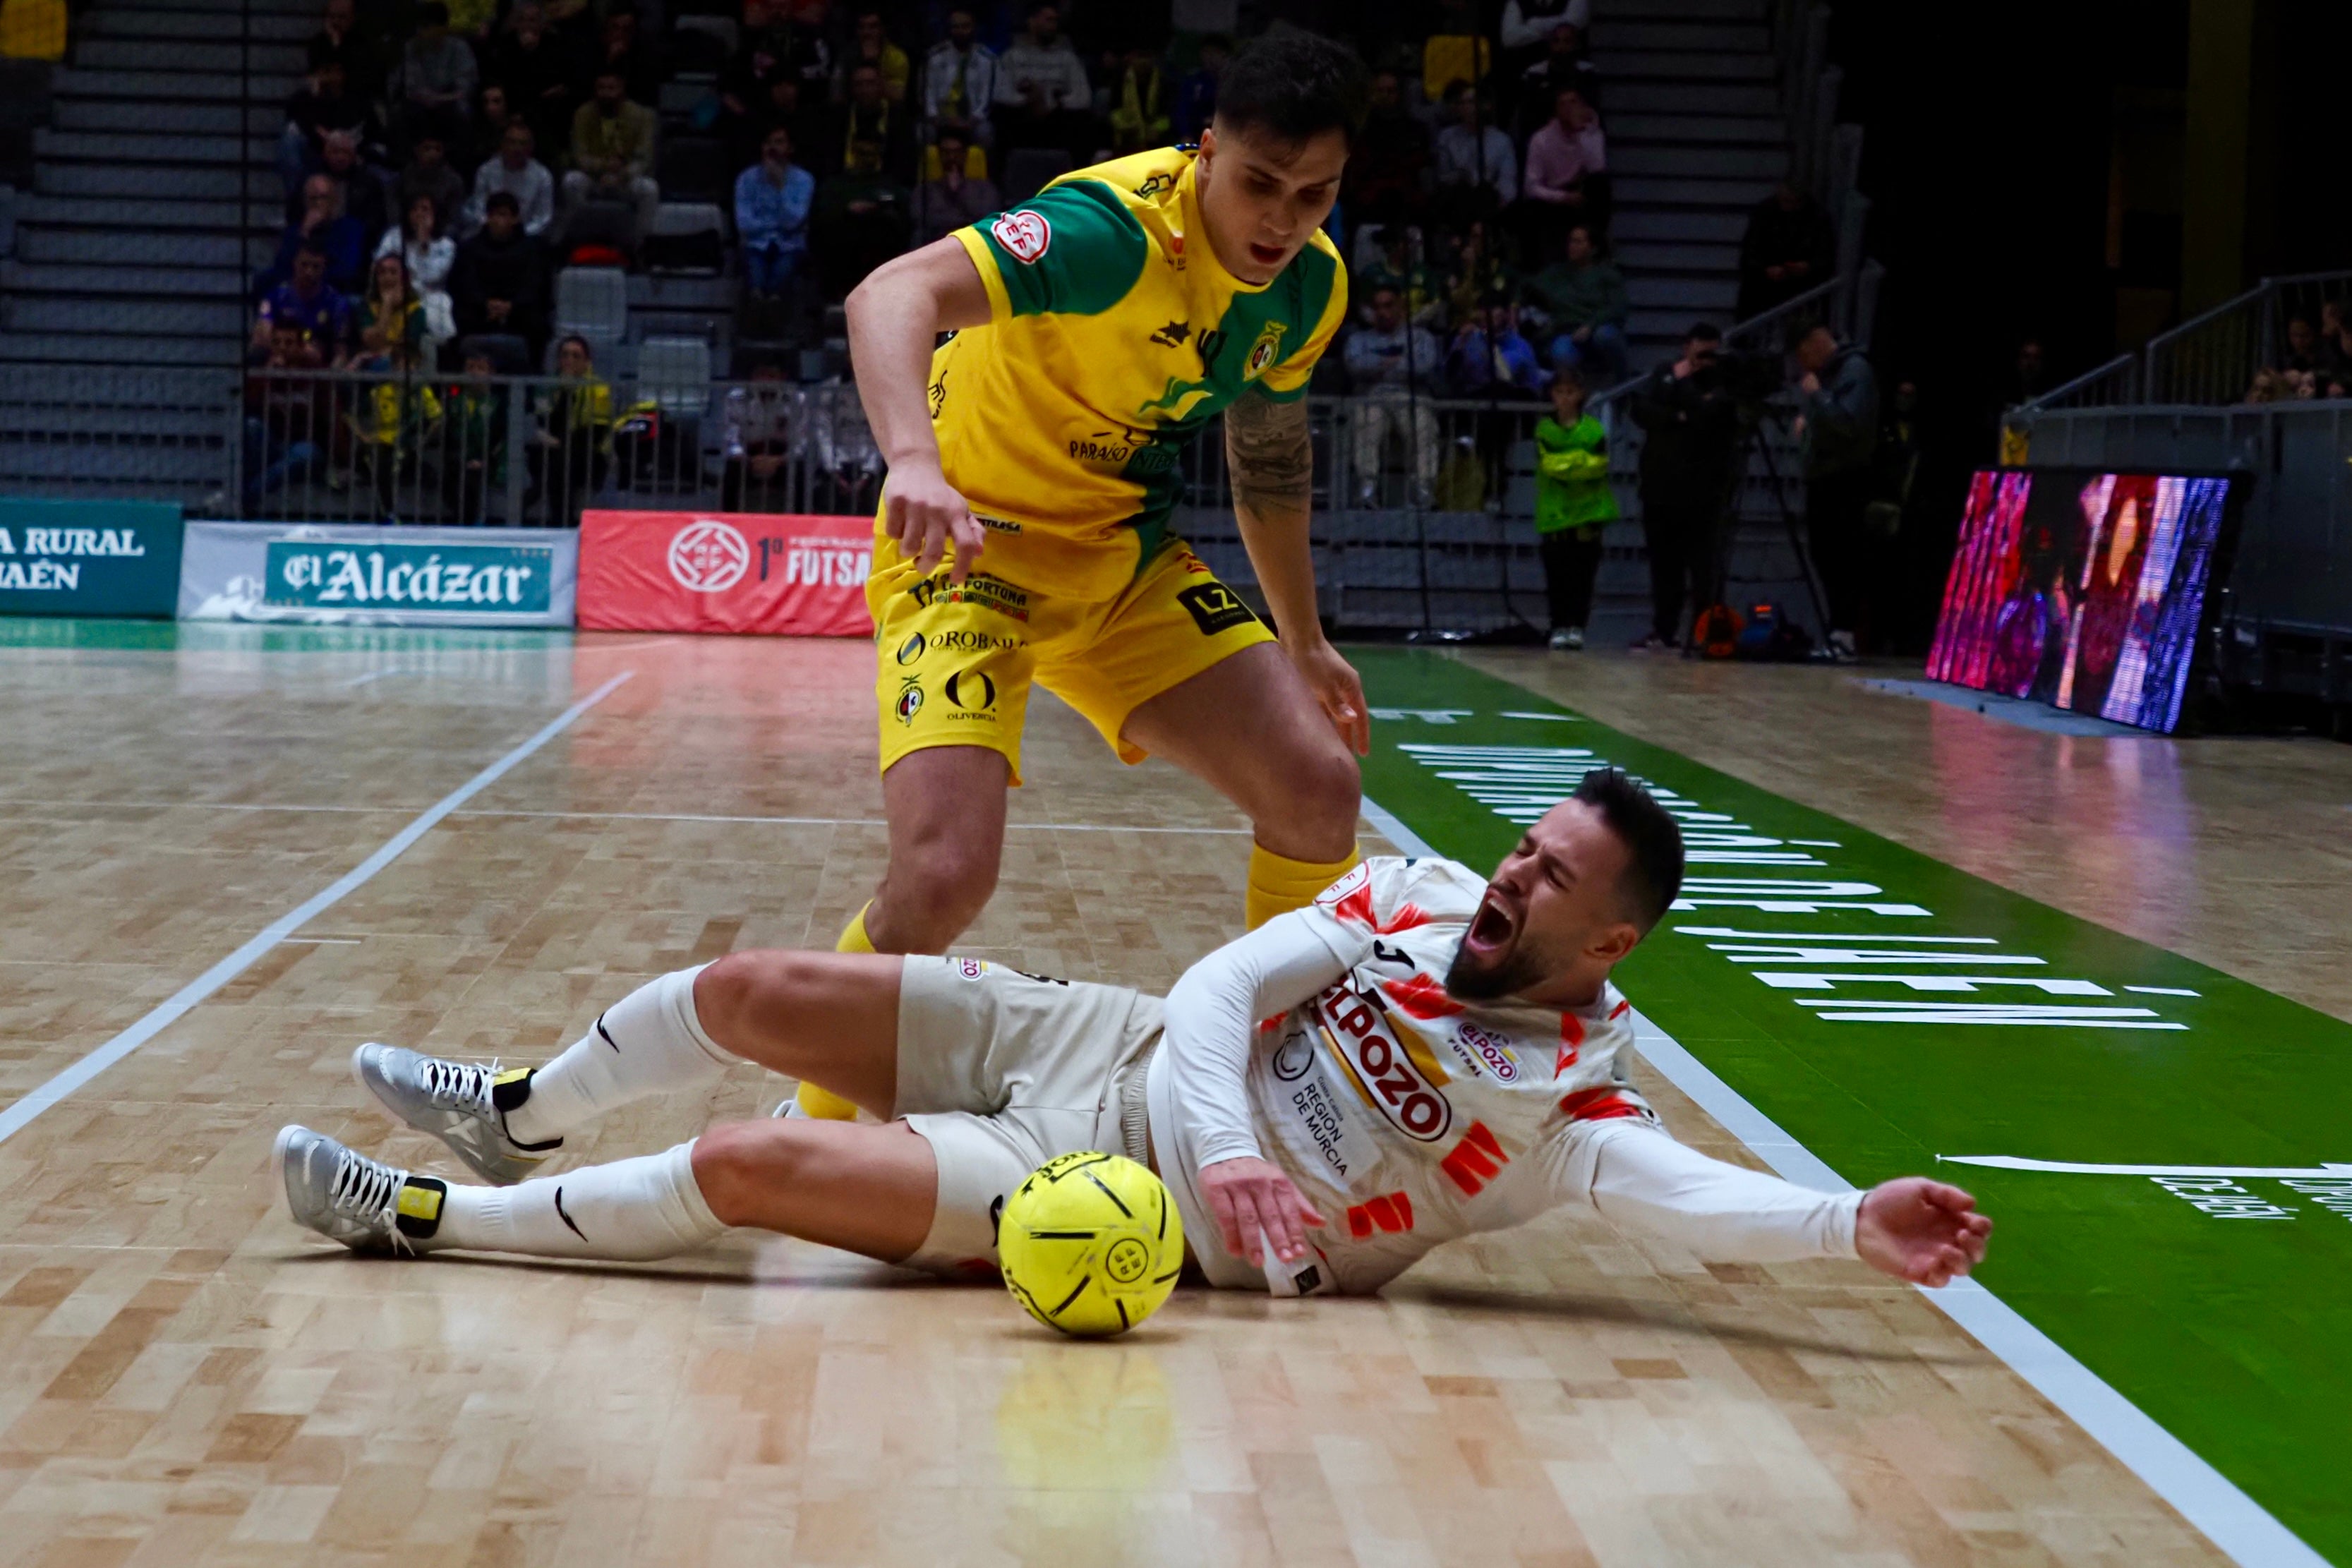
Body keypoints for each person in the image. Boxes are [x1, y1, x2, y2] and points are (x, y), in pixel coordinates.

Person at [275, 774, 1995, 1304]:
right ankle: (518, 1109)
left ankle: (430, 1222)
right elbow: (1229, 986)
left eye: (1550, 879)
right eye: (1522, 846)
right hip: (1097, 1034)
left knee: (744, 1162)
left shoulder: (1567, 1109)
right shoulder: (1410, 891)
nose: (1511, 876)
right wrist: (1247, 1137)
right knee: (748, 990)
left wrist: (1849, 1220)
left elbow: (1685, 1195)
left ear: (1603, 943)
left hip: (1097, 1176)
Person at [804, 36, 1373, 1123]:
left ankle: (1252, 1104)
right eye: (1259, 183)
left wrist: (1300, 639)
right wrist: (914, 460)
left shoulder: (1308, 288)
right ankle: (814, 1113)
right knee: (942, 878)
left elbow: (1266, 459)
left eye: (1316, 194)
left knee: (1317, 789)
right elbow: (887, 294)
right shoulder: (1107, 234)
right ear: (1206, 153)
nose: (1282, 219)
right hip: (967, 558)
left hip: (1122, 565)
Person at [1627, 322, 1739, 651]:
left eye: (1712, 354)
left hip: (1703, 492)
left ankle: (1706, 632)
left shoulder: (1722, 381)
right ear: (1686, 346)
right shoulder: (1664, 372)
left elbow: (1708, 414)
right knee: (1664, 567)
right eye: (1701, 352)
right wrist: (1677, 414)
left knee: (1703, 567)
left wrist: (1683, 386)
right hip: (1660, 488)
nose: (1706, 360)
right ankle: (1664, 631)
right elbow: (1642, 409)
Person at [1792, 322, 1880, 662]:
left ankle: (1844, 633)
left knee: (1841, 558)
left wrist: (1816, 396)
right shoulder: (1834, 372)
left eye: (1803, 355)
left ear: (1816, 342)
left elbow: (1847, 423)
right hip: (1825, 477)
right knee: (1825, 555)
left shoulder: (1854, 369)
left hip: (1845, 478)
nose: (1803, 366)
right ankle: (1837, 631)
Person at [1532, 366, 1613, 649]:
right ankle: (1558, 626)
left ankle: (1577, 626)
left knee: (1583, 576)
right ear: (1552, 395)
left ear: (1580, 395)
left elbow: (1598, 466)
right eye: (1559, 392)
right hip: (1556, 515)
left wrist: (1570, 464)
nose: (1565, 398)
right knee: (1557, 576)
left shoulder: (1594, 428)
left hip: (1588, 514)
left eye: (1570, 392)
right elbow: (1551, 465)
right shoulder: (1545, 428)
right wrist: (1579, 460)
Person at [1343, 284, 1443, 508]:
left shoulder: (1420, 337)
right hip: (1372, 398)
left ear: (1400, 307)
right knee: (1365, 421)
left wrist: (1377, 367)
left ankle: (1422, 489)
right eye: (1377, 307)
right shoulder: (1359, 339)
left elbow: (1424, 366)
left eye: (1388, 306)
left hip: (1411, 398)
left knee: (1423, 425)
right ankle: (1367, 488)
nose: (1382, 312)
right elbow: (1354, 365)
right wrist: (1396, 364)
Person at [1522, 223, 1627, 383]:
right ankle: (1573, 396)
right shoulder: (1558, 273)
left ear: (1592, 248)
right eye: (1571, 241)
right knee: (1560, 352)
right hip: (1569, 333)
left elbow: (1617, 308)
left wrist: (1591, 325)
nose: (1572, 246)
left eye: (1578, 242)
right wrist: (1515, 303)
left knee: (1605, 336)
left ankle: (1622, 384)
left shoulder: (1607, 275)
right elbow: (1527, 284)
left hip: (1599, 330)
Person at [451, 191, 551, 356]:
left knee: (537, 321)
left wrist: (511, 306)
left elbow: (535, 285)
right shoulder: (469, 248)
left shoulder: (532, 250)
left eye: (503, 215)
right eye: (493, 215)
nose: (497, 221)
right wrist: (486, 304)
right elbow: (465, 283)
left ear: (515, 219)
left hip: (520, 314)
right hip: (479, 313)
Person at [564, 69, 661, 238]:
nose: (606, 93)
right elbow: (579, 155)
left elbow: (643, 159)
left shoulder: (643, 116)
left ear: (622, 88)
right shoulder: (583, 114)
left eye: (611, 88)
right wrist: (603, 167)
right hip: (594, 177)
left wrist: (622, 175)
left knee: (649, 189)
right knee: (571, 181)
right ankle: (579, 238)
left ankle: (642, 243)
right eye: (601, 88)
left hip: (627, 179)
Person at [812, 137, 911, 298]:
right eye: (863, 154)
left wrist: (878, 211)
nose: (868, 159)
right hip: (843, 245)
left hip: (880, 246)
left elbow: (902, 217)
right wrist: (848, 210)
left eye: (873, 154)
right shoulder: (836, 185)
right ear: (853, 153)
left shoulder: (890, 185)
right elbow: (822, 216)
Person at [528, 333, 613, 521]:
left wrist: (559, 442)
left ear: (587, 361)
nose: (569, 360)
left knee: (563, 461)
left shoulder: (598, 389)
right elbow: (545, 422)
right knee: (538, 453)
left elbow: (595, 434)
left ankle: (558, 519)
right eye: (565, 355)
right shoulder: (550, 386)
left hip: (590, 455)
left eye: (576, 356)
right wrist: (564, 392)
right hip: (555, 450)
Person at [994, 2, 1092, 159]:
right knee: (1003, 116)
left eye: (1055, 21)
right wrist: (1028, 100)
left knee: (1082, 122)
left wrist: (1055, 102)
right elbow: (1001, 94)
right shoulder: (1012, 56)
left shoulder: (1068, 58)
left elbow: (1083, 97)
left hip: (1058, 116)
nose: (1053, 26)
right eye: (1048, 20)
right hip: (1023, 114)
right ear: (1032, 22)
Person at [1519, 85, 1606, 258]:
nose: (1569, 108)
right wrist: (1562, 197)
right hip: (1553, 195)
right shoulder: (1541, 139)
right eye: (1563, 104)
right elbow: (1531, 186)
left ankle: (1599, 252)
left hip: (1581, 191)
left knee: (1601, 186)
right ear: (1556, 110)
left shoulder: (1592, 134)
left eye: (1573, 102)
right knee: (1530, 210)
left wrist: (1581, 133)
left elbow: (1597, 168)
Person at [735, 124, 816, 301]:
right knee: (755, 284)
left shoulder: (804, 180)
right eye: (768, 143)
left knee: (778, 286)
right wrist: (775, 226)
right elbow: (744, 224)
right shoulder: (746, 179)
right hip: (755, 245)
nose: (772, 148)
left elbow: (794, 221)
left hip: (790, 246)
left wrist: (780, 186)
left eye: (779, 142)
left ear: (790, 148)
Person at [486, 2, 577, 159]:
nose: (528, 25)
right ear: (516, 23)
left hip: (546, 104)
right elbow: (505, 79)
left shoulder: (554, 42)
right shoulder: (506, 45)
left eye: (533, 20)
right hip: (515, 102)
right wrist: (524, 54)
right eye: (523, 20)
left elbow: (559, 77)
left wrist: (533, 54)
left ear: (542, 24)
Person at [1342, 68, 1428, 228]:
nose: (1385, 96)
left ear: (1399, 94)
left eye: (1391, 91)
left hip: (1407, 204)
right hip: (1367, 203)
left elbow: (1419, 168)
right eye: (1380, 91)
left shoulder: (1415, 130)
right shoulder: (1360, 131)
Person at [1736, 181, 1834, 319]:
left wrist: (1808, 267)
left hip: (1801, 283)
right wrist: (1765, 269)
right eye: (1785, 201)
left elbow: (1825, 254)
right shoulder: (1764, 213)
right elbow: (1750, 250)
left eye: (1793, 202)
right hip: (1764, 280)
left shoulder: (1817, 217)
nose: (1788, 207)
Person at [263, 174, 368, 296]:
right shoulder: (295, 231)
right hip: (298, 292)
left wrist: (313, 276)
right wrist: (304, 233)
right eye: (313, 198)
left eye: (323, 198)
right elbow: (282, 268)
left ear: (334, 201)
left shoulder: (350, 228)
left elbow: (347, 269)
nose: (318, 203)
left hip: (334, 290)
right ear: (305, 202)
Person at [375, 194, 457, 349]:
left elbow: (432, 277)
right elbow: (379, 265)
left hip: (430, 296)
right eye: (414, 209)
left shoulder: (446, 245)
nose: (419, 214)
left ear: (434, 214)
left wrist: (423, 243)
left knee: (440, 308)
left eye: (425, 209)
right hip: (396, 292)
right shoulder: (394, 236)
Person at [254, 243, 354, 363]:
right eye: (304, 265)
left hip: (320, 369)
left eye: (316, 267)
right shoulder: (275, 298)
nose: (309, 272)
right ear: (295, 264)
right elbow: (263, 335)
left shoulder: (337, 304)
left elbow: (340, 352)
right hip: (279, 360)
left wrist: (331, 378)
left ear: (324, 268)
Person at [396, 2, 479, 146]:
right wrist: (426, 97)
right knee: (403, 114)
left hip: (450, 101)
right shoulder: (412, 48)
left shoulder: (459, 48)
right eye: (420, 26)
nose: (421, 31)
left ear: (442, 28)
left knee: (462, 111)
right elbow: (411, 85)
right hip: (421, 102)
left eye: (427, 26)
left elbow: (466, 87)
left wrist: (441, 98)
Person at [1432, 84, 1516, 220]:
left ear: (1485, 105)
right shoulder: (1447, 137)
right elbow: (1442, 176)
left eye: (1472, 102)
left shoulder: (1502, 140)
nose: (1468, 108)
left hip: (1491, 204)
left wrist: (1502, 200)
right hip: (1457, 202)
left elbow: (1507, 180)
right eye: (1462, 103)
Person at [920, 8, 998, 148]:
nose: (960, 31)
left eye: (965, 26)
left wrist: (972, 120)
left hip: (972, 119)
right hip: (940, 118)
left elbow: (986, 99)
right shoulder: (934, 56)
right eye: (956, 27)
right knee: (924, 132)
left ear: (974, 28)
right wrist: (936, 118)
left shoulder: (987, 59)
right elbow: (928, 94)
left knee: (985, 132)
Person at [462, 121, 555, 237]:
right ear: (503, 144)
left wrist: (519, 235)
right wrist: (494, 229)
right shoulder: (486, 171)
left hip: (527, 236)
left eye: (523, 143)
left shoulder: (543, 176)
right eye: (512, 142)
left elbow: (543, 218)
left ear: (531, 147)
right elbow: (479, 208)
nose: (517, 148)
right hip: (489, 232)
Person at [911, 123, 998, 246]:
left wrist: (959, 191)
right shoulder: (925, 189)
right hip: (935, 242)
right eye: (946, 153)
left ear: (965, 155)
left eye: (957, 152)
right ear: (939, 155)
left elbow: (986, 218)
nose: (952, 157)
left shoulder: (984, 189)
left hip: (971, 242)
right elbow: (919, 218)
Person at [832, 60, 915, 185]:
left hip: (886, 185)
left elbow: (903, 167)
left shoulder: (899, 119)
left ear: (881, 86)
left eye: (870, 83)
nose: (865, 90)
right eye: (859, 84)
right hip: (847, 184)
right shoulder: (840, 118)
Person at [355, 251, 428, 366]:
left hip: (401, 368)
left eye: (393, 272)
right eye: (382, 273)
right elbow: (373, 343)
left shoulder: (416, 311)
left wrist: (376, 353)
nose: (387, 277)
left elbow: (404, 351)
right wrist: (387, 305)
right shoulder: (366, 307)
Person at [397, 133, 468, 236]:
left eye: (437, 149)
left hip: (442, 233)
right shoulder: (404, 177)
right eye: (427, 149)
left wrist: (435, 234)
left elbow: (455, 217)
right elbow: (395, 213)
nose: (432, 154)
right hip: (407, 231)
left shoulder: (454, 181)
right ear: (417, 151)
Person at [1106, 47, 1170, 157]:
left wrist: (1156, 129)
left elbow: (1168, 115)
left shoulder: (1163, 81)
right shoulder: (1120, 79)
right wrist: (1131, 126)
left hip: (1155, 140)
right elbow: (1114, 112)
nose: (1143, 62)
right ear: (1131, 58)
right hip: (1127, 136)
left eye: (1147, 57)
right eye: (1139, 57)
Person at [840, 7, 909, 103]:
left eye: (873, 27)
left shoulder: (896, 57)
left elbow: (899, 95)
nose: (867, 32)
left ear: (882, 30)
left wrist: (873, 63)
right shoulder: (846, 55)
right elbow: (837, 96)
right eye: (862, 27)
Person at [1172, 32, 1228, 142]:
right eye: (1206, 53)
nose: (1209, 58)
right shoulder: (1193, 81)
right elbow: (1183, 111)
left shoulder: (1233, 81)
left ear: (1225, 55)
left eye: (1214, 53)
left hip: (1225, 137)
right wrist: (1186, 134)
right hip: (1196, 135)